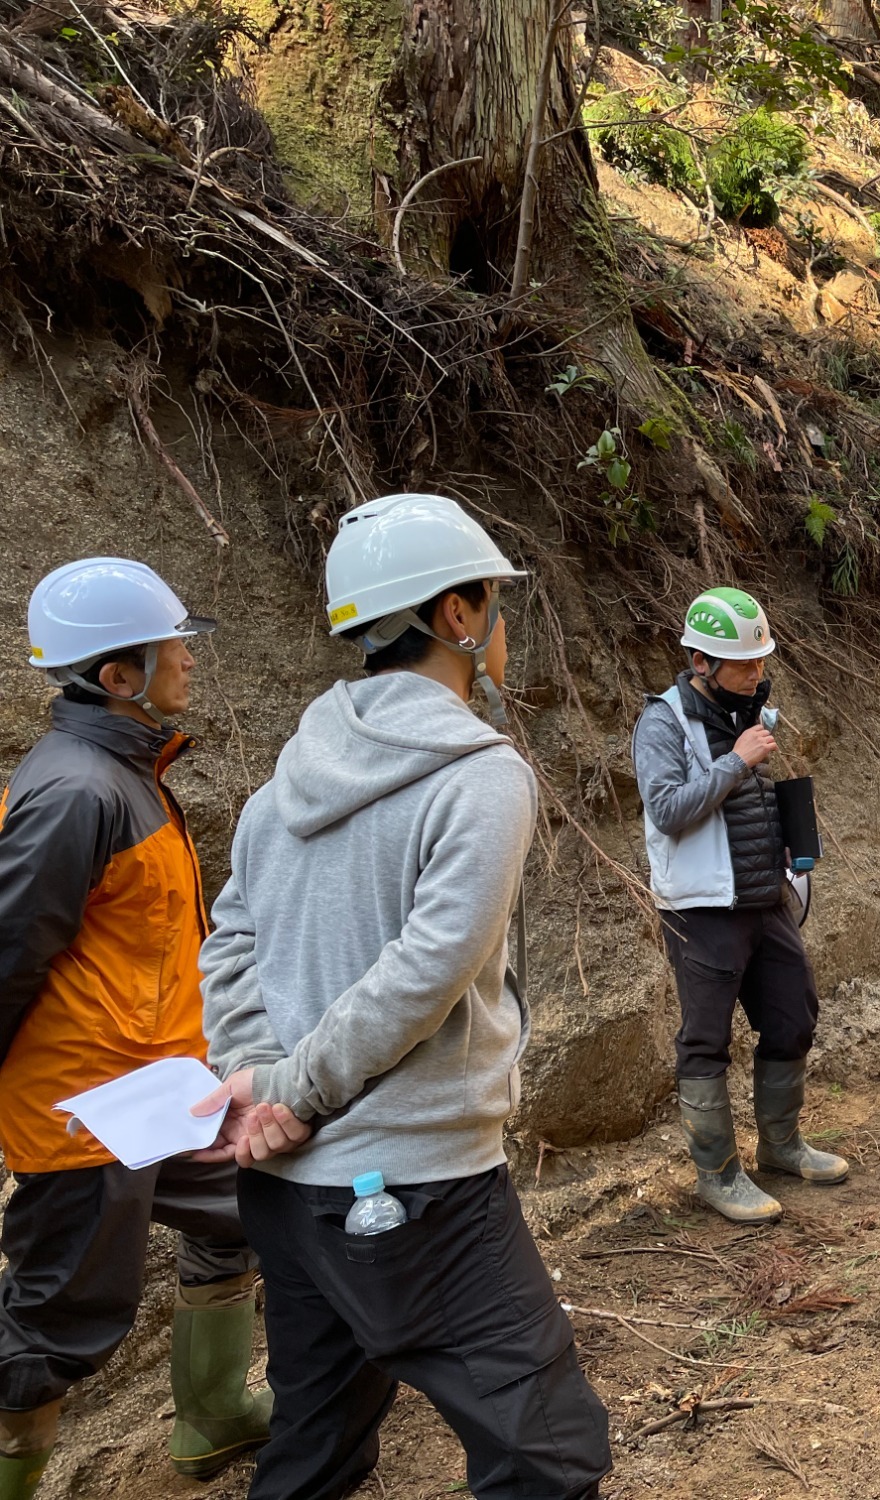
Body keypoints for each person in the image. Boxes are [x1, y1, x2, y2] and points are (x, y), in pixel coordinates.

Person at [196, 493, 611, 1499]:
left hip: (287, 1196)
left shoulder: (284, 781)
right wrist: (287, 1090)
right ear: (457, 618)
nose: (503, 626)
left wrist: (253, 1079)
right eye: (493, 603)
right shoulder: (481, 779)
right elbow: (429, 971)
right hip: (414, 1186)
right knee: (545, 1452)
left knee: (317, 1441)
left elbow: (230, 937)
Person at [0, 559, 269, 1499]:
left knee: (246, 1212)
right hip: (84, 1111)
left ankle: (214, 1416)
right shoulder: (76, 791)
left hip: (160, 1091)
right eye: (173, 647)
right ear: (119, 677)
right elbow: (7, 951)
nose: (189, 660)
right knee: (54, 1325)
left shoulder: (125, 772)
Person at [633, 587, 848, 1224]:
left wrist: (787, 840)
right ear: (701, 662)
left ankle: (781, 1146)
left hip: (764, 898)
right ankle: (718, 1175)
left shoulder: (746, 712)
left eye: (761, 662)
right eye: (745, 664)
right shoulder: (663, 722)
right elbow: (668, 810)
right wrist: (736, 760)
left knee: (793, 1016)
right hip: (701, 910)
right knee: (706, 1041)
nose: (758, 673)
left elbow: (743, 806)